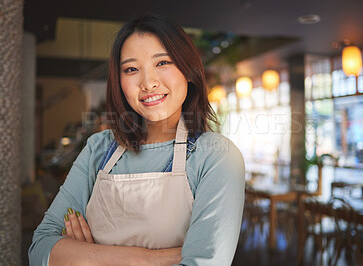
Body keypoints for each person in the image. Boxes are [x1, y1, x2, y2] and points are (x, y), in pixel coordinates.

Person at [29, 13, 245, 266]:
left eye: (162, 63)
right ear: (119, 81)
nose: (148, 83)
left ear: (188, 70)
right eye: (131, 69)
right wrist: (147, 258)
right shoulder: (98, 148)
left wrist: (88, 256)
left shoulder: (215, 156)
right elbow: (40, 250)